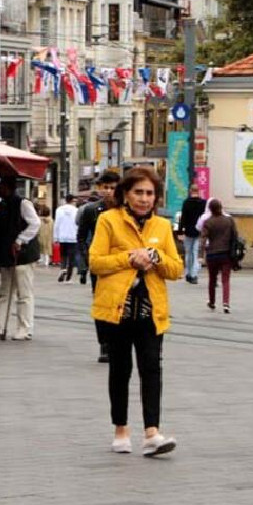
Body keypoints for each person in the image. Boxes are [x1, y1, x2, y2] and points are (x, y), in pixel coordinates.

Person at [89, 167, 182, 456]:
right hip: (117, 309)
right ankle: (121, 430)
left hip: (150, 310)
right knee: (120, 370)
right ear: (126, 194)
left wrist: (155, 257)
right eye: (138, 192)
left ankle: (152, 432)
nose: (144, 199)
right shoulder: (109, 220)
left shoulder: (163, 227)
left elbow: (176, 269)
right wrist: (129, 257)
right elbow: (95, 262)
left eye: (149, 193)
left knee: (151, 368)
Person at [0, 177, 41, 340]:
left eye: (2, 187)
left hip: (22, 255)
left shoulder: (23, 203)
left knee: (24, 294)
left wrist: (20, 240)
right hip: (6, 256)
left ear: (9, 188)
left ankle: (25, 328)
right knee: (4, 292)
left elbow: (35, 223)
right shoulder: (2, 206)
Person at [76, 171, 121, 362]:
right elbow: (81, 236)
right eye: (105, 187)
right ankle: (104, 344)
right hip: (100, 265)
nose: (109, 192)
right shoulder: (91, 210)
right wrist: (88, 259)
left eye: (112, 188)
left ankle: (118, 343)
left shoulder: (125, 210)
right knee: (102, 304)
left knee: (120, 304)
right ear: (99, 188)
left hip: (121, 264)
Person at [201, 199, 236, 314]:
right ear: (221, 207)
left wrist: (204, 251)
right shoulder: (229, 220)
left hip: (212, 254)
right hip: (226, 253)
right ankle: (226, 303)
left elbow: (203, 238)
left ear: (210, 209)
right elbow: (235, 235)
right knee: (225, 279)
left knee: (212, 279)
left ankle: (212, 301)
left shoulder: (208, 222)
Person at [179, 185, 207, 284]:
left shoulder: (186, 202)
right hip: (198, 231)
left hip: (188, 231)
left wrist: (180, 231)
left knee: (188, 253)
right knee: (195, 253)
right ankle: (194, 275)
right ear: (198, 191)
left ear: (190, 191)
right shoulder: (203, 203)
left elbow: (183, 218)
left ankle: (188, 273)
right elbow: (204, 217)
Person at [53, 195, 79, 283]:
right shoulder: (76, 210)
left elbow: (56, 224)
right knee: (71, 257)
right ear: (72, 201)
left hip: (62, 236)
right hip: (73, 236)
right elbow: (78, 223)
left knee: (63, 255)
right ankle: (68, 277)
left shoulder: (59, 210)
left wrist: (55, 236)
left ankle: (63, 269)